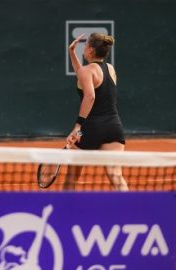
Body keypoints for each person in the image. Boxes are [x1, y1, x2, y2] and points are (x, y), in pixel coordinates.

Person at [64, 32, 128, 191]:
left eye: (85, 47)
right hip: (113, 127)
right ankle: (130, 208)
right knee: (115, 175)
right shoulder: (111, 69)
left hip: (90, 128)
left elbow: (90, 96)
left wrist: (77, 127)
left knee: (72, 176)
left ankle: (63, 211)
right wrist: (72, 53)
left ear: (91, 50)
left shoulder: (87, 71)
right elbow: (83, 76)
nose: (83, 50)